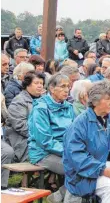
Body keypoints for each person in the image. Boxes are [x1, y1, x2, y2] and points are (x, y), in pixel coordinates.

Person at [63, 80, 110, 203]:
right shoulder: (79, 124)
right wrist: (102, 170)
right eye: (108, 99)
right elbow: (76, 156)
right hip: (86, 173)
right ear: (95, 101)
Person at [28, 73, 75, 203]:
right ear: (52, 89)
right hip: (43, 153)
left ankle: (58, 195)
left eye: (68, 86)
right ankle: (60, 196)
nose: (67, 90)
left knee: (91, 165)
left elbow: (76, 133)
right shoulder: (41, 108)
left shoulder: (69, 107)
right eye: (63, 86)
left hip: (67, 150)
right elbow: (44, 141)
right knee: (80, 168)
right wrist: (71, 151)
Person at [5, 71, 45, 164]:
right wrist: (42, 135)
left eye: (41, 83)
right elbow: (21, 126)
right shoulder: (19, 101)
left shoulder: (43, 100)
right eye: (36, 83)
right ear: (27, 84)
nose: (40, 86)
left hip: (39, 139)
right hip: (22, 142)